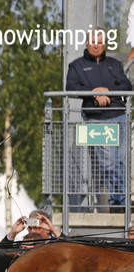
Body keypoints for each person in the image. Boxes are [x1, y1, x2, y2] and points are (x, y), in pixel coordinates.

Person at [66, 29, 132, 210]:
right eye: (94, 41)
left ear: (105, 45)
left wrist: (108, 91)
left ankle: (120, 200)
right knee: (108, 161)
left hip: (119, 116)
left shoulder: (114, 64)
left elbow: (126, 85)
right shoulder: (76, 66)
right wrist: (94, 92)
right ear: (87, 43)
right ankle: (120, 201)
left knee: (121, 161)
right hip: (95, 118)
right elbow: (71, 87)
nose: (97, 45)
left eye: (100, 42)